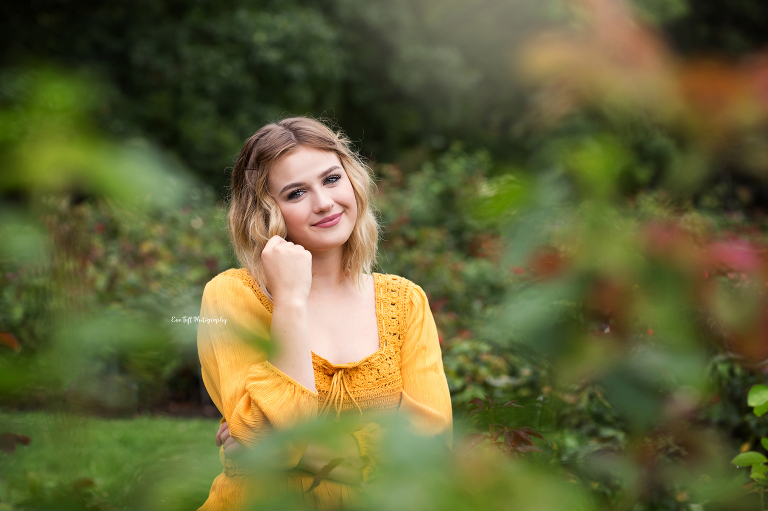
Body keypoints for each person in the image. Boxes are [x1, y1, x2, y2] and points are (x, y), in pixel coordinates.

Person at [196, 117, 453, 510]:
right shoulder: (232, 296)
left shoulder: (405, 301)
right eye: (296, 193)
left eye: (331, 179)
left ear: (352, 179)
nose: (324, 203)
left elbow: (431, 448)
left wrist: (277, 445)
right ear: (266, 211)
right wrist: (291, 302)